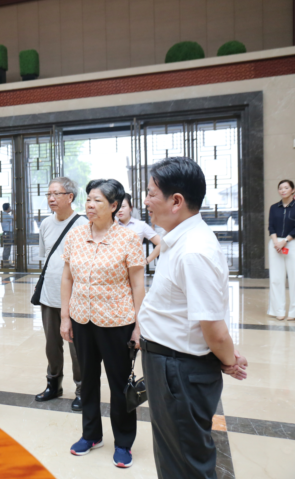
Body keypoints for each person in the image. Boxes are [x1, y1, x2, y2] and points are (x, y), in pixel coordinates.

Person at [138, 157, 248, 478]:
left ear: (176, 201)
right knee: (173, 455)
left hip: (179, 372)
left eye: (151, 194)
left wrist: (229, 360)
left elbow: (214, 328)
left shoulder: (194, 250)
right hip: (169, 365)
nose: (146, 201)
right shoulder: (178, 238)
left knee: (186, 461)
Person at [60, 178, 145, 469]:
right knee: (87, 380)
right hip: (81, 319)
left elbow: (138, 284)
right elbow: (67, 277)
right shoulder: (76, 235)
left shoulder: (128, 238)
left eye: (97, 200)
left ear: (114, 205)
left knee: (120, 384)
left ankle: (123, 442)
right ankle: (91, 435)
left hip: (117, 321)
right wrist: (65, 317)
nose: (90, 205)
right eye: (88, 199)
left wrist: (139, 326)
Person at [34, 178, 88, 410]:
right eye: (48, 194)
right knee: (52, 345)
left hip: (76, 298)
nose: (51, 198)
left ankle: (82, 389)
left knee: (77, 348)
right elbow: (45, 258)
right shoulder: (46, 224)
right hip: (49, 295)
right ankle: (53, 384)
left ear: (70, 197)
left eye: (56, 194)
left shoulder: (84, 225)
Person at [267, 179, 295, 320]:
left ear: (293, 190)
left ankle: (293, 312)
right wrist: (276, 242)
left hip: (292, 243)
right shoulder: (274, 207)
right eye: (280, 188)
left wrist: (285, 241)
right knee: (276, 278)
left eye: (286, 187)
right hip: (275, 244)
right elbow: (271, 226)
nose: (283, 190)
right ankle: (278, 310)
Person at [117, 193, 161, 266]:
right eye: (117, 207)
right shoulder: (111, 226)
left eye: (123, 206)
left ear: (131, 208)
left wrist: (146, 261)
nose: (120, 210)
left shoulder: (140, 225)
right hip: (117, 268)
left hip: (136, 268)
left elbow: (161, 243)